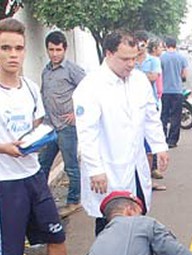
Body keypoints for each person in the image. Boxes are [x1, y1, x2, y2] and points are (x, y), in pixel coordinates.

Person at [0, 18, 75, 255]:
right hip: (6, 182)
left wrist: (37, 138)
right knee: (11, 248)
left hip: (33, 175)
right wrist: (4, 147)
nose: (13, 54)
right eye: (5, 48)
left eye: (18, 48)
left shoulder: (30, 87)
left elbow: (37, 123)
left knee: (56, 235)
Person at [72, 30, 169, 235]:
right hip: (107, 169)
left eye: (134, 58)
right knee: (109, 227)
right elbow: (87, 133)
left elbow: (151, 117)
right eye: (125, 59)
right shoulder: (91, 86)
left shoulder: (139, 80)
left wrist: (160, 146)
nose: (131, 64)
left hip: (135, 166)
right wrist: (95, 169)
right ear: (108, 54)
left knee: (139, 219)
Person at [38, 30, 86, 218]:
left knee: (71, 166)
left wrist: (77, 113)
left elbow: (88, 91)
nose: (55, 53)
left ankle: (74, 201)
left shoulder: (72, 69)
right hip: (50, 127)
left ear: (64, 49)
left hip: (67, 128)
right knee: (42, 166)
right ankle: (41, 202)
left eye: (58, 49)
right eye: (51, 50)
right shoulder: (46, 71)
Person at [134, 31, 166, 191]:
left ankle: (146, 180)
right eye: (137, 43)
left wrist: (136, 74)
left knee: (148, 148)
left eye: (142, 43)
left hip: (149, 106)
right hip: (131, 108)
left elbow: (154, 77)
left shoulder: (153, 60)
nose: (140, 47)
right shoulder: (131, 60)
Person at [160, 36, 188, 148]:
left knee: (163, 116)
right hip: (177, 91)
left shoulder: (161, 58)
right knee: (175, 117)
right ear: (175, 45)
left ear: (166, 45)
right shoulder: (181, 58)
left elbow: (159, 74)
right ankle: (172, 141)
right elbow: (185, 75)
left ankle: (162, 139)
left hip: (164, 91)